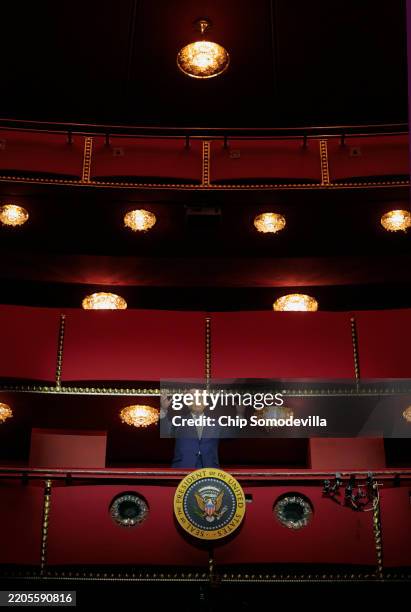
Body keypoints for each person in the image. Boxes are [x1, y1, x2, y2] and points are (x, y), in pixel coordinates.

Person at [160, 388, 245, 468]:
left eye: (200, 398)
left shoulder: (215, 424)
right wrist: (163, 409)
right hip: (183, 468)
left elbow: (232, 434)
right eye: (192, 399)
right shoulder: (178, 421)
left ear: (205, 403)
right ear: (187, 403)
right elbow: (166, 431)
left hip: (209, 470)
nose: (197, 402)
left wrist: (240, 414)